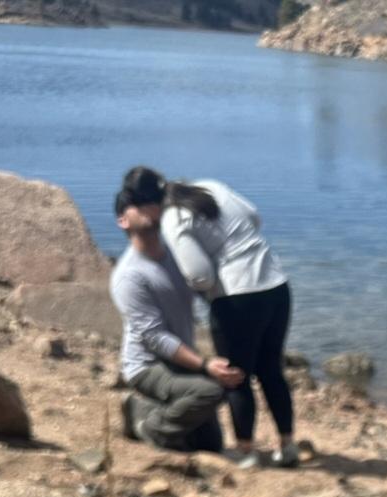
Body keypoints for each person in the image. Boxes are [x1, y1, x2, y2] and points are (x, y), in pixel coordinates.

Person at [121, 166, 298, 468]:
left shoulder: (173, 217)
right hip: (276, 284)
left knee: (235, 377)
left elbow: (200, 275)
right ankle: (287, 445)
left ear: (147, 203)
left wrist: (205, 286)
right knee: (271, 370)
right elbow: (254, 216)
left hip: (237, 297)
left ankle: (245, 451)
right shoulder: (208, 186)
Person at [109, 175, 243, 452]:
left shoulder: (177, 256)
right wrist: (205, 365)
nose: (148, 206)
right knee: (210, 390)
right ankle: (147, 424)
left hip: (178, 361)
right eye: (137, 204)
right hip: (147, 365)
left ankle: (154, 408)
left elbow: (207, 289)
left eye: (151, 201)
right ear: (123, 221)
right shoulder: (129, 276)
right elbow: (155, 338)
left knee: (210, 447)